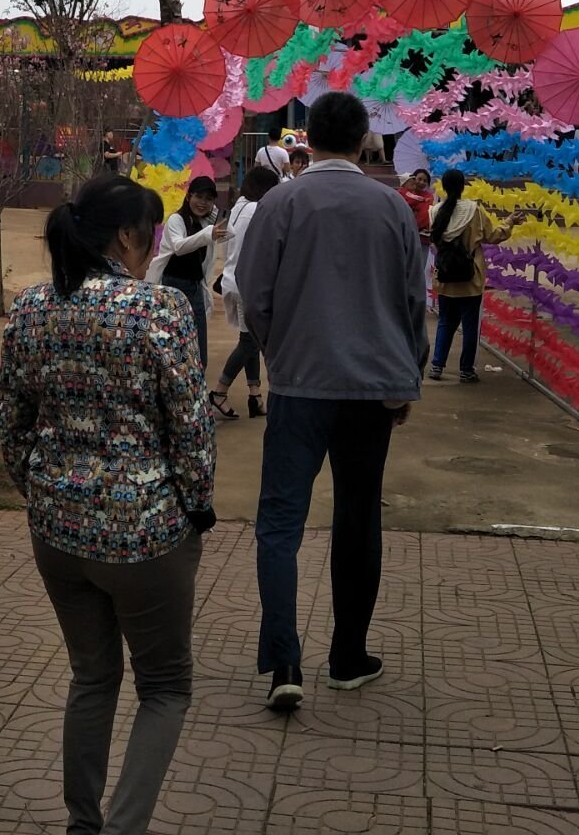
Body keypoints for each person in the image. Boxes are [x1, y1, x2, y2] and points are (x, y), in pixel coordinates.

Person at [0, 174, 215, 835]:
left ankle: (82, 825)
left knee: (91, 677)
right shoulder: (159, 310)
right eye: (149, 233)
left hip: (57, 532)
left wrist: (41, 489)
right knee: (165, 687)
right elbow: (191, 427)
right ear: (125, 236)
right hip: (146, 535)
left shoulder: (32, 306)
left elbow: (11, 415)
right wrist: (197, 508)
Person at [236, 91, 426, 712]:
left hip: (299, 385)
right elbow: (413, 301)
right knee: (358, 515)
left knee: (280, 522)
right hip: (371, 389)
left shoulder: (281, 202)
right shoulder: (391, 206)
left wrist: (280, 352)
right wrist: (406, 376)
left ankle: (284, 662)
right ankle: (347, 657)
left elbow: (254, 294)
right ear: (364, 138)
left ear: (308, 138)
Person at [428, 169, 516, 382]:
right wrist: (510, 222)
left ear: (444, 187)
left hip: (445, 277)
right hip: (471, 278)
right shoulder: (473, 210)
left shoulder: (435, 211)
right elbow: (493, 236)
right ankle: (466, 370)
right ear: (463, 186)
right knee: (470, 326)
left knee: (445, 322)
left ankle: (437, 365)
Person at [213, 164, 280, 420]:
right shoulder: (256, 210)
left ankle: (255, 395)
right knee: (250, 341)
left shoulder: (239, 206)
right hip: (247, 282)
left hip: (233, 279)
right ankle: (219, 391)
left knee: (249, 339)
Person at [148, 176, 225, 372]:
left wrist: (217, 217)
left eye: (209, 199)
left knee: (199, 345)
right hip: (173, 287)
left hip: (195, 287)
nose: (203, 203)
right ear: (189, 196)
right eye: (199, 196)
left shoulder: (205, 222)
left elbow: (228, 233)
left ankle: (198, 379)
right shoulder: (177, 219)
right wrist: (207, 233)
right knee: (173, 340)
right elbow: (179, 247)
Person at [398, 168, 434, 235]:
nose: (422, 182)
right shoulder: (404, 193)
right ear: (413, 179)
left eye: (425, 181)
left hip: (420, 230)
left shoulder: (429, 196)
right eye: (419, 179)